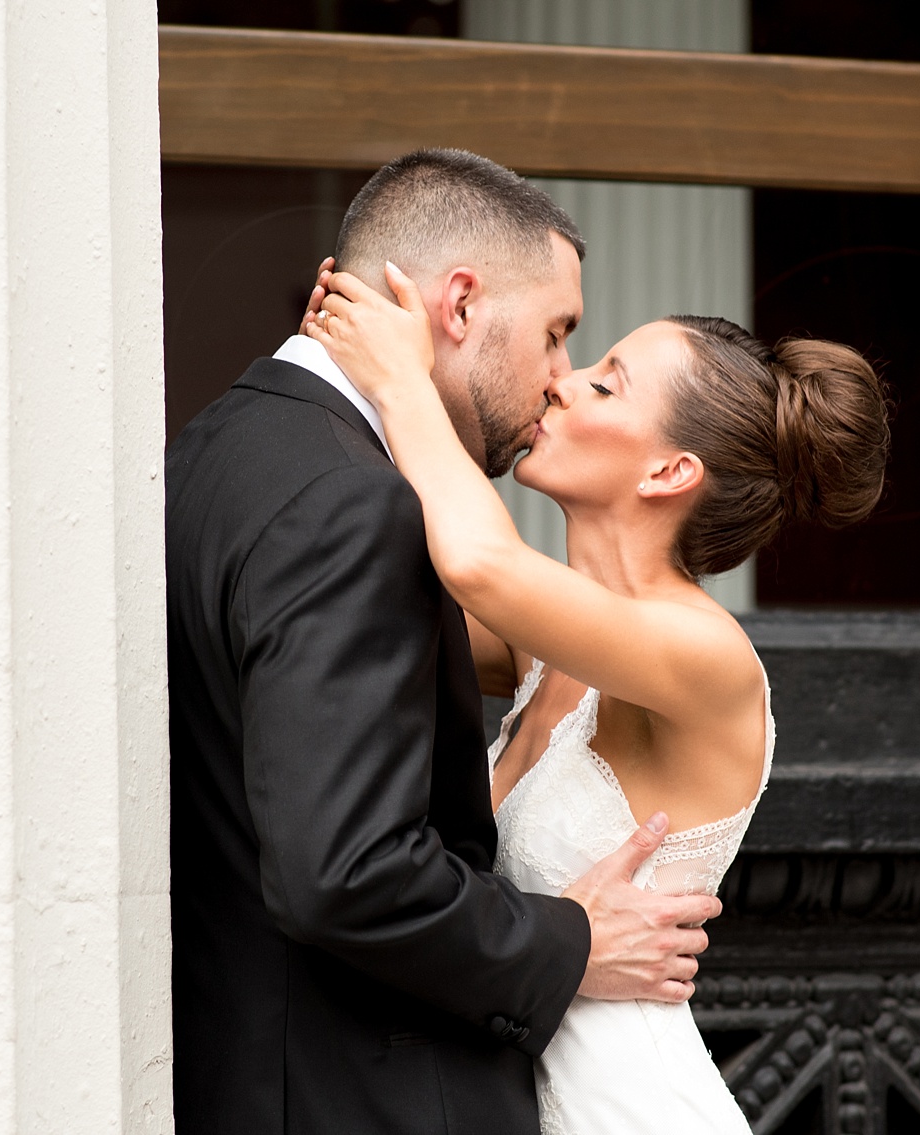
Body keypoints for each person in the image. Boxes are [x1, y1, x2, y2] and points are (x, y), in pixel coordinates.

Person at [166, 149, 723, 1135]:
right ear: (458, 307)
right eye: (558, 336)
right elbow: (343, 869)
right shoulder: (353, 509)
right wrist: (566, 942)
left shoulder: (211, 448)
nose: (558, 381)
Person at [302, 258, 891, 1131]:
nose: (562, 385)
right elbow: (360, 612)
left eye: (605, 384)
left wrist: (400, 375)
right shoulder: (539, 653)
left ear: (667, 473)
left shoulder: (706, 654)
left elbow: (478, 562)